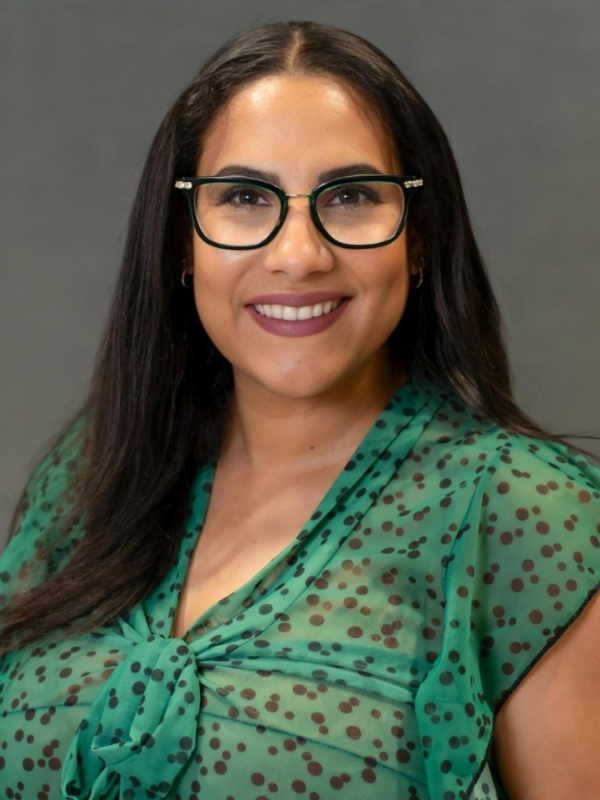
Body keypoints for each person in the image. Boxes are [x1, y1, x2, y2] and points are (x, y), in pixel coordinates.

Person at [0, 19, 599, 800]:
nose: (298, 253)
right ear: (181, 241)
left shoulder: (529, 517)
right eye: (245, 198)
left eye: (350, 196)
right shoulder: (93, 473)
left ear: (419, 239)